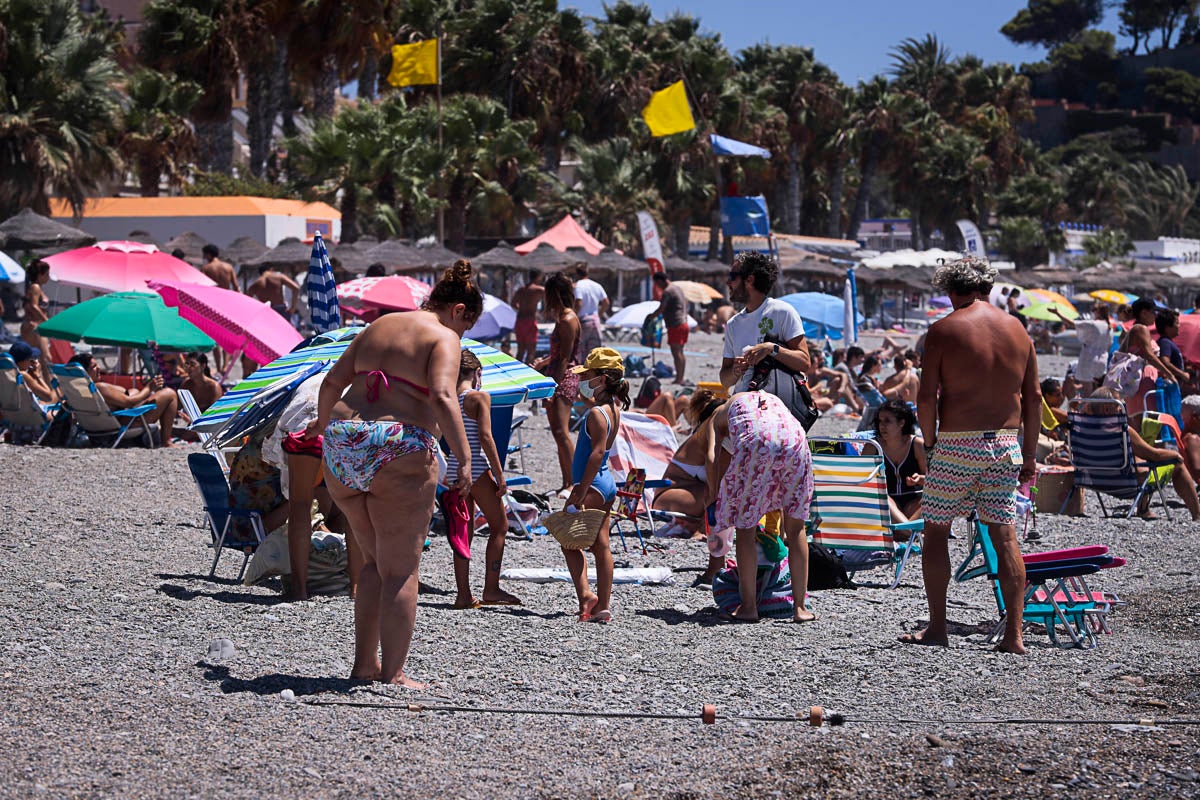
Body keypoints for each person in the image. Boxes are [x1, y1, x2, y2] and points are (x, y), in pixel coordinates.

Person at [304, 260, 481, 687]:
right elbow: (442, 394)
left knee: (370, 564)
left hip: (344, 441)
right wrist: (463, 456)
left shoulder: (376, 327)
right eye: (467, 326)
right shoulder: (443, 336)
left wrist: (326, 429)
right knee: (400, 568)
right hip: (398, 445)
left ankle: (364, 665)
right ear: (458, 310)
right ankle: (395, 673)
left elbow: (330, 383)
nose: (463, 336)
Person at [902, 255, 1039, 655]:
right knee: (1005, 533)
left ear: (951, 291)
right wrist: (1029, 452)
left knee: (937, 531)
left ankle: (938, 628)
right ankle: (1014, 635)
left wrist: (929, 443)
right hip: (1005, 442)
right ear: (989, 288)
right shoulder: (1018, 330)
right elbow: (1031, 398)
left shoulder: (944, 330)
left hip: (957, 443)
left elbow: (927, 396)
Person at [706, 392, 814, 624]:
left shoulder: (717, 415)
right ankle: (800, 607)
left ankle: (748, 607)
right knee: (796, 528)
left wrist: (713, 495)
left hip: (757, 442)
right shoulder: (767, 400)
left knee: (745, 528)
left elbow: (712, 455)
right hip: (796, 440)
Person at [442, 349, 522, 610]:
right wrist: (500, 476)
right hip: (476, 467)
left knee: (463, 533)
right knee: (499, 526)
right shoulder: (479, 397)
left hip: (454, 469)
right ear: (477, 373)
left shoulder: (448, 398)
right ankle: (491, 587)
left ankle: (463, 594)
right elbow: (486, 439)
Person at [560, 347, 629, 623]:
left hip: (593, 486)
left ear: (601, 379)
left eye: (588, 375)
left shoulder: (596, 415)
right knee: (601, 546)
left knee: (568, 541)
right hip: (607, 484)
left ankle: (587, 595)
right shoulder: (613, 409)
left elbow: (597, 453)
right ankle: (603, 606)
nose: (584, 379)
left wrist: (579, 492)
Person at [1084, 387, 1200, 520]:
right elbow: (1154, 455)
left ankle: (1144, 509)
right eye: (1119, 405)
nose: (1123, 409)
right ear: (1107, 408)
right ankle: (1197, 515)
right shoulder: (1122, 430)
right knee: (1177, 465)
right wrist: (1174, 455)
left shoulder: (1082, 429)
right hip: (1125, 485)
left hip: (1095, 481)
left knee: (1139, 462)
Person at [719, 252, 810, 393]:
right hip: (743, 402)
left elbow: (804, 362)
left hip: (778, 400)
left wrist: (771, 349)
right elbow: (725, 381)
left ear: (749, 280)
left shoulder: (782, 312)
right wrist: (735, 371)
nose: (728, 282)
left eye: (732, 277)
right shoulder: (733, 324)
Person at [532, 273, 582, 494]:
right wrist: (542, 363)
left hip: (564, 377)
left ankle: (573, 483)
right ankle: (566, 482)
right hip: (556, 374)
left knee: (562, 432)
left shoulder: (567, 320)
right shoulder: (564, 318)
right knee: (556, 432)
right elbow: (558, 353)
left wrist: (553, 386)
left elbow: (565, 357)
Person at [68, 352, 181, 446]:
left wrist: (133, 393)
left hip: (97, 429)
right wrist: (149, 387)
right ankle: (166, 441)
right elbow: (129, 402)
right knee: (169, 394)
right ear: (84, 372)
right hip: (124, 425)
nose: (99, 369)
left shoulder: (76, 390)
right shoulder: (99, 388)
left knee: (134, 391)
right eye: (94, 367)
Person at [1122, 298, 1186, 417]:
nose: (1156, 316)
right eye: (1154, 312)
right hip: (1143, 381)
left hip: (1139, 380)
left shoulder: (1134, 329)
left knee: (1143, 420)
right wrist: (1170, 374)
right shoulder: (1141, 329)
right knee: (1147, 420)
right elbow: (1150, 355)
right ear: (1144, 313)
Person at [866, 399, 926, 524]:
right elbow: (861, 479)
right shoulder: (872, 446)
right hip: (886, 504)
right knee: (883, 498)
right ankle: (910, 532)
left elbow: (934, 480)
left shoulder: (916, 445)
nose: (882, 426)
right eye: (880, 421)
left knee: (934, 499)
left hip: (913, 503)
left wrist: (920, 479)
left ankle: (902, 531)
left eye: (887, 421)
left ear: (901, 423)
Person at [1052, 302, 1112, 390]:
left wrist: (1058, 313)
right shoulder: (1109, 328)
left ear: (1098, 312)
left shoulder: (1093, 324)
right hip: (1102, 360)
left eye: (1093, 310)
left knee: (1087, 390)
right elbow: (1109, 346)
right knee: (1096, 389)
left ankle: (1088, 403)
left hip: (1089, 359)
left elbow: (1072, 323)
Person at [652, 272, 689, 385]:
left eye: (657, 284)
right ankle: (680, 377)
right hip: (684, 323)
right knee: (680, 352)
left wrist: (650, 317)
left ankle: (679, 378)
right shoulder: (677, 288)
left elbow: (661, 308)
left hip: (675, 324)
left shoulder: (668, 291)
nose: (658, 286)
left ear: (660, 281)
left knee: (676, 352)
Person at [20, 261, 52, 385]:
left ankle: (37, 387)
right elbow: (33, 306)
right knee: (46, 359)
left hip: (31, 325)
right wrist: (46, 320)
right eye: (47, 274)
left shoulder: (34, 287)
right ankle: (49, 390)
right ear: (40, 274)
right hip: (34, 325)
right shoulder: (36, 287)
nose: (48, 277)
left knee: (36, 359)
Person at [573, 263, 609, 356]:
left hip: (583, 320)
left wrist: (573, 317)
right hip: (595, 320)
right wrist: (599, 314)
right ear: (587, 272)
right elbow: (606, 302)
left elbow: (579, 303)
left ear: (576, 273)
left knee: (580, 350)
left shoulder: (578, 286)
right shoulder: (597, 285)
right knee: (595, 352)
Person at [510, 269, 545, 364]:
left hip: (520, 319)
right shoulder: (540, 290)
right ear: (538, 277)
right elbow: (550, 301)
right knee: (531, 351)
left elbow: (513, 303)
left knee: (520, 350)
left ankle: (516, 371)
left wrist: (522, 309)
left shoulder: (521, 290)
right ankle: (528, 371)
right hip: (530, 320)